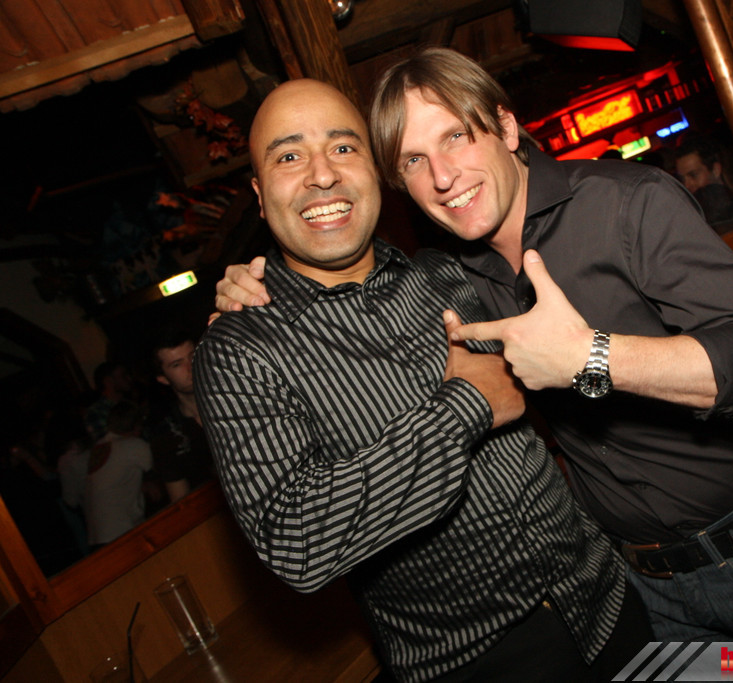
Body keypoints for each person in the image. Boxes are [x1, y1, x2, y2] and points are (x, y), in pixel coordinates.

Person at [215, 47, 733, 644]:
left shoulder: (625, 204)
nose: (442, 176)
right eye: (414, 161)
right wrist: (250, 285)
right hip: (637, 589)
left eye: (455, 136)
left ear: (506, 128)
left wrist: (593, 356)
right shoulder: (451, 275)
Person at [194, 78, 650, 683]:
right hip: (475, 666)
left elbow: (568, 383)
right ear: (259, 194)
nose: (322, 175)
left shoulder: (449, 273)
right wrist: (464, 407)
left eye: (343, 147)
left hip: (609, 603)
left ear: (374, 171)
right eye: (288, 156)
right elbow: (297, 542)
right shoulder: (238, 351)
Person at [145, 325, 214, 503]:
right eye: (177, 364)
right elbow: (182, 502)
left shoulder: (238, 400)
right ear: (163, 379)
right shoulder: (169, 436)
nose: (190, 366)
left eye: (192, 356)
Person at [83, 400, 153, 550]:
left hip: (98, 537)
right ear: (137, 426)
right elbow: (162, 474)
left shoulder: (99, 447)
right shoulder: (133, 445)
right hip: (121, 533)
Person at [673, 136, 733, 233]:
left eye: (694, 175)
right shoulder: (694, 217)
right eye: (682, 179)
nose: (687, 185)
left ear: (715, 170)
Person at [84, 360, 137, 443]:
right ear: (108, 381)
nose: (129, 379)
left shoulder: (131, 404)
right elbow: (107, 444)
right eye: (123, 376)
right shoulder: (96, 412)